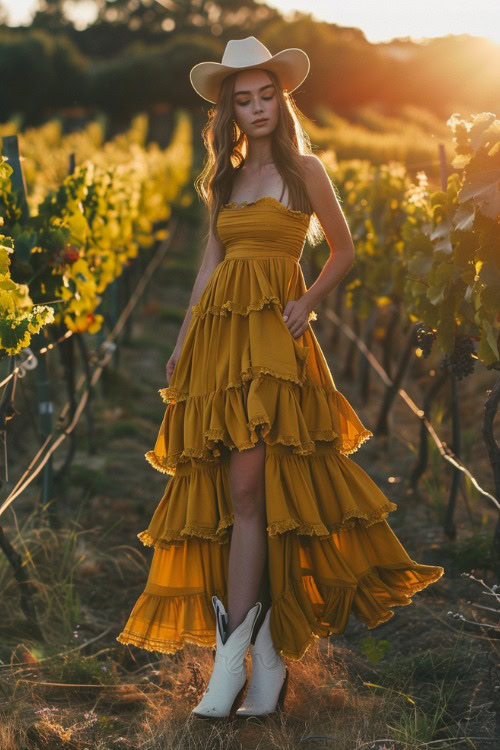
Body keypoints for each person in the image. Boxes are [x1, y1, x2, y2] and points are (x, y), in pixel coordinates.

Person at [117, 36, 445, 722]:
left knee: (252, 485)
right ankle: (250, 662)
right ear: (230, 111)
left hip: (277, 339)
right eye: (245, 99)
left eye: (267, 95)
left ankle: (237, 664)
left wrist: (311, 297)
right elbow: (209, 268)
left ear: (281, 100)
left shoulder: (306, 170)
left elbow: (346, 248)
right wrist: (181, 343)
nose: (258, 107)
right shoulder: (227, 180)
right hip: (221, 343)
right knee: (236, 495)